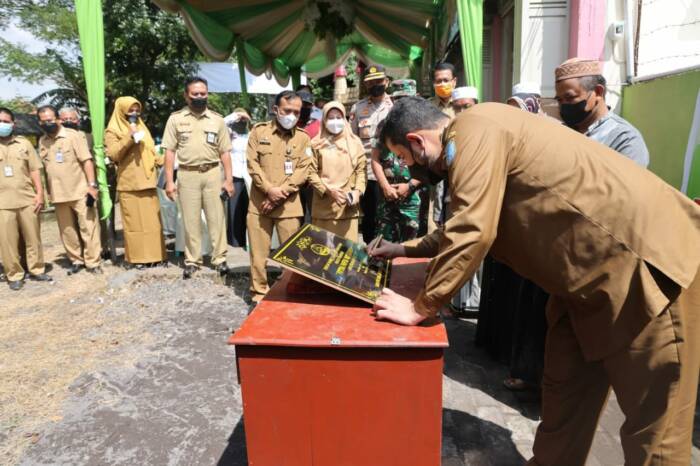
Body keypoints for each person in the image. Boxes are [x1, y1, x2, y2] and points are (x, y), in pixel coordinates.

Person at [370, 97, 700, 466]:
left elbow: (473, 231)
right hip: (584, 288)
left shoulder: (475, 128)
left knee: (655, 434)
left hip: (647, 268)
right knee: (563, 403)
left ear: (416, 141)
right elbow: (464, 224)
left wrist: (420, 307)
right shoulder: (477, 133)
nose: (407, 168)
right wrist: (404, 248)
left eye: (404, 157)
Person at [162, 76, 234, 279]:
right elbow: (169, 152)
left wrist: (228, 180)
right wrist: (169, 181)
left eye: (203, 93)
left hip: (213, 173)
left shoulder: (217, 120)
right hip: (187, 175)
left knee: (216, 218)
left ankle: (219, 259)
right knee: (190, 220)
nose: (200, 97)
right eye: (195, 94)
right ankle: (192, 260)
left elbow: (225, 152)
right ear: (186, 96)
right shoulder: (176, 119)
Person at [246, 90, 312, 304]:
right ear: (276, 109)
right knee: (258, 255)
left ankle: (289, 293)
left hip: (288, 207)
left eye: (296, 112)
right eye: (287, 110)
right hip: (259, 204)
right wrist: (268, 190)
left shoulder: (303, 138)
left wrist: (278, 194)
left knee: (292, 256)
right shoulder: (259, 132)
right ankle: (258, 293)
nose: (292, 116)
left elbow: (304, 170)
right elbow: (252, 164)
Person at [38, 105, 103, 275]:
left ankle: (93, 262)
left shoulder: (73, 136)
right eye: (44, 121)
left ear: (58, 119)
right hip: (58, 194)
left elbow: (87, 161)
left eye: (50, 120)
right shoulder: (42, 141)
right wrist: (47, 192)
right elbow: (45, 169)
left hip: (80, 191)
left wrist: (92, 185)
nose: (47, 123)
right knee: (67, 231)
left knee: (88, 228)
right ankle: (76, 260)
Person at [104, 96, 166, 268]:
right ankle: (138, 259)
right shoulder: (112, 131)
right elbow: (114, 154)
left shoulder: (142, 127)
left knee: (152, 223)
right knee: (135, 224)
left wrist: (166, 161)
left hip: (148, 180)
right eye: (130, 110)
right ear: (121, 111)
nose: (134, 113)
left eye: (137, 110)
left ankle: (156, 256)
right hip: (130, 183)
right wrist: (129, 137)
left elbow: (150, 151)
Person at [555, 57, 649, 167]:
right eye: (559, 100)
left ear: (598, 92)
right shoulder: (562, 132)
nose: (564, 106)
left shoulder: (625, 139)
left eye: (570, 98)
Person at [0, 107, 51, 290]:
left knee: (33, 237)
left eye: (6, 122)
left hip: (27, 198)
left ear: (13, 124)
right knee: (7, 242)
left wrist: (40, 194)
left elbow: (35, 170)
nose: (2, 125)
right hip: (3, 203)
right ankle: (14, 274)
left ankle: (37, 269)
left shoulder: (24, 143)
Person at [371, 80, 425, 242]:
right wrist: (385, 186)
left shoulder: (423, 126)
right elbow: (375, 158)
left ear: (415, 98)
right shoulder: (383, 126)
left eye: (406, 98)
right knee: (384, 242)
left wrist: (410, 186)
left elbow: (429, 163)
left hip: (413, 196)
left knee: (412, 244)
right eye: (398, 99)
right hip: (387, 195)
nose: (402, 103)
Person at [308, 101, 365, 241]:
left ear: (344, 119)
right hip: (324, 207)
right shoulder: (315, 143)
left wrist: (358, 191)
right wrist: (328, 190)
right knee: (322, 249)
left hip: (347, 207)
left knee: (347, 251)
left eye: (339, 117)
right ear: (324, 120)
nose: (335, 122)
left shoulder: (355, 142)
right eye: (331, 118)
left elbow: (361, 171)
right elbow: (310, 172)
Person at [350, 64, 393, 243]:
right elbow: (352, 140)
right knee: (370, 217)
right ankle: (370, 252)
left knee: (391, 216)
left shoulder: (396, 105)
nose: (375, 85)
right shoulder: (358, 108)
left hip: (392, 171)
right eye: (370, 82)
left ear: (386, 82)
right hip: (368, 172)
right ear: (365, 85)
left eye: (378, 81)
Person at [223, 107, 252, 248]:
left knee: (248, 208)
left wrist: (248, 119)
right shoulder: (228, 134)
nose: (241, 121)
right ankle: (235, 240)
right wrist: (235, 115)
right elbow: (220, 124)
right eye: (238, 119)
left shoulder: (251, 134)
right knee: (234, 209)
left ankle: (248, 239)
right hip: (233, 175)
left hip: (249, 176)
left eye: (243, 119)